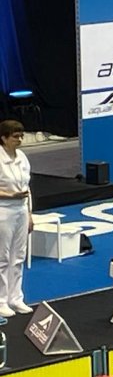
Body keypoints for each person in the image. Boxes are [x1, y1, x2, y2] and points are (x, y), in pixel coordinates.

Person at [0, 120, 33, 317]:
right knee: (2, 257)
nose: (19, 140)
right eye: (15, 136)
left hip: (21, 210)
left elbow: (27, 188)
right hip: (3, 211)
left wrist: (29, 214)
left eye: (21, 136)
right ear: (4, 138)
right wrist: (10, 196)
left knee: (19, 256)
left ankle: (16, 298)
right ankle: (1, 300)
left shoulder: (22, 157)